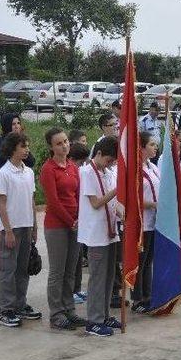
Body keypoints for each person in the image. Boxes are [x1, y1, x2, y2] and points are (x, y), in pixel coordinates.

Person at [39, 128, 87, 330]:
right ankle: (56, 313)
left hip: (75, 223)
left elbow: (78, 194)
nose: (64, 145)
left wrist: (79, 218)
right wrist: (71, 221)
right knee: (57, 272)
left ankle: (69, 309)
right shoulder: (48, 169)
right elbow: (53, 201)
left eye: (66, 141)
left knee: (70, 271)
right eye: (59, 143)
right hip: (57, 225)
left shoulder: (72, 166)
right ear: (51, 147)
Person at [0, 132, 42, 327]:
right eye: (23, 146)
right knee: (8, 269)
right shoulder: (4, 173)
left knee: (23, 269)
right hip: (10, 229)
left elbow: (31, 199)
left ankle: (20, 305)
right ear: (13, 148)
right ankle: (5, 309)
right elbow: (1, 203)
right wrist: (8, 231)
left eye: (27, 146)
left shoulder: (28, 172)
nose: (27, 149)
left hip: (26, 225)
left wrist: (35, 225)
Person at [78, 136, 121, 336]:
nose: (110, 164)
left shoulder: (108, 172)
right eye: (108, 160)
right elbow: (96, 203)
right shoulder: (87, 172)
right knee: (97, 277)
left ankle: (104, 315)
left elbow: (114, 204)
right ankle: (93, 320)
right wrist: (117, 190)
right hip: (96, 233)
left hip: (110, 230)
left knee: (109, 277)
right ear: (99, 153)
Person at [0, 113, 35, 268]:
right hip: (2, 183)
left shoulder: (22, 143)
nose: (16, 126)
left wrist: (20, 151)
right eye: (13, 124)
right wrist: (9, 153)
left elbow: (31, 161)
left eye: (18, 123)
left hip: (20, 183)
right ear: (6, 126)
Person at [131, 132, 159, 313]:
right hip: (142, 222)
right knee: (139, 262)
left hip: (155, 221)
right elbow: (134, 199)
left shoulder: (153, 167)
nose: (155, 148)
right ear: (141, 148)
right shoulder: (135, 170)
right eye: (151, 144)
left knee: (148, 261)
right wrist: (155, 204)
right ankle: (137, 298)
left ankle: (148, 295)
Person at [67, 142, 90, 304]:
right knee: (71, 261)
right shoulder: (76, 172)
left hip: (81, 218)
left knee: (78, 256)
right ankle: (71, 291)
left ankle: (77, 288)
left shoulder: (79, 171)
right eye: (81, 162)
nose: (82, 166)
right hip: (72, 219)